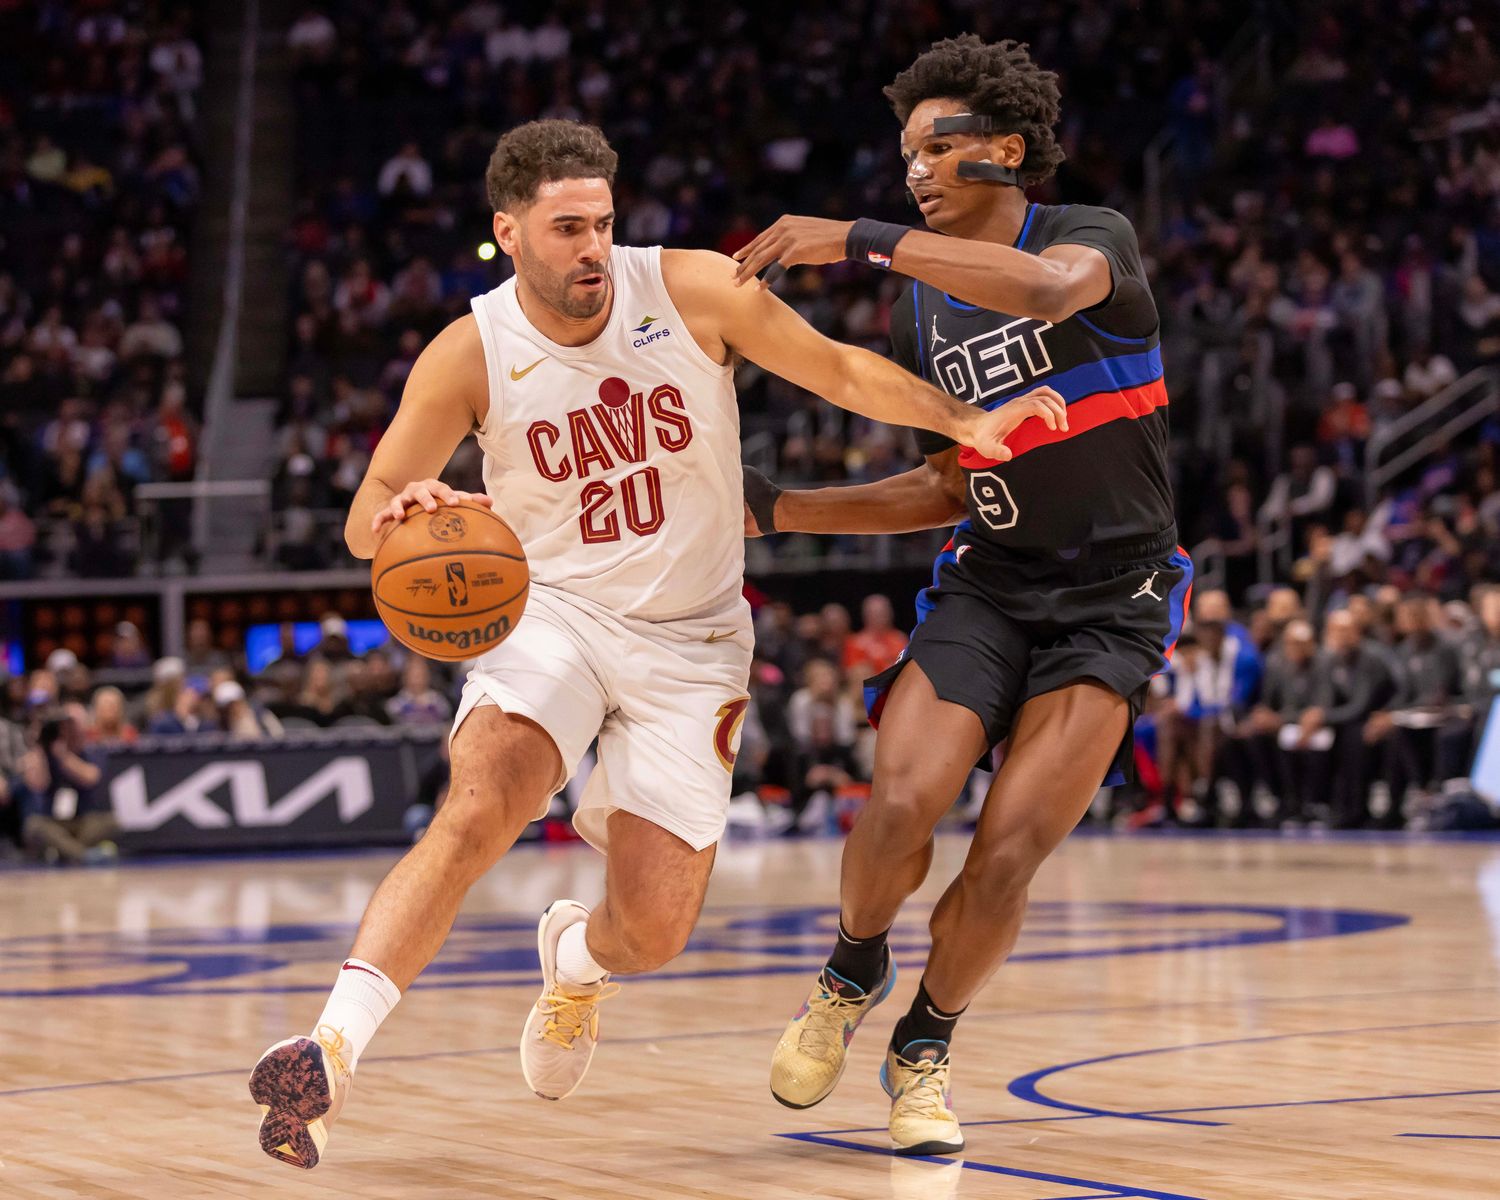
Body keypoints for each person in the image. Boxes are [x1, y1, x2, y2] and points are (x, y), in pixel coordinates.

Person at [248, 116, 1063, 1171]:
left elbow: (839, 371)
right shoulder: (472, 350)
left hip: (693, 640)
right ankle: (329, 1054)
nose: (592, 246)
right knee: (482, 803)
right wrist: (405, 508)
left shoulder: (691, 291)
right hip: (553, 614)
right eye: (566, 228)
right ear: (510, 231)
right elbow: (363, 518)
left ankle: (577, 961)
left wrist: (968, 421)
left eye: (603, 223)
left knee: (656, 930)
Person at [735, 36, 1190, 1155]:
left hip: (1115, 601)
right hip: (989, 586)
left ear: (1010, 150)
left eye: (939, 148)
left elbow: (1038, 293)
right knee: (897, 806)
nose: (917, 171)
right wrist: (783, 509)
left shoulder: (1088, 240)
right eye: (904, 156)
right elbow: (950, 481)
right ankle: (851, 971)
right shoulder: (921, 318)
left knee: (1011, 848)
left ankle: (925, 1044)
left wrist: (860, 239)